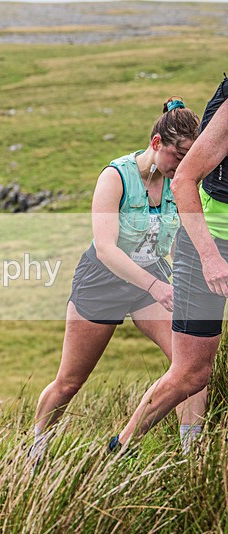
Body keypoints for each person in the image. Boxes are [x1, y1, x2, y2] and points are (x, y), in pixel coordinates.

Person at [31, 98, 204, 461]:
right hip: (103, 281)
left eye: (190, 158)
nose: (182, 166)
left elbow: (182, 238)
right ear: (156, 143)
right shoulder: (115, 177)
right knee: (70, 382)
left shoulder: (180, 182)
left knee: (189, 367)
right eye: (178, 156)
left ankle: (193, 456)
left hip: (152, 278)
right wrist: (156, 286)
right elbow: (107, 249)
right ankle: (35, 449)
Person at [109, 77, 228, 453]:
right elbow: (184, 181)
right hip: (211, 246)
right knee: (191, 373)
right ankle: (121, 448)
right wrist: (210, 257)